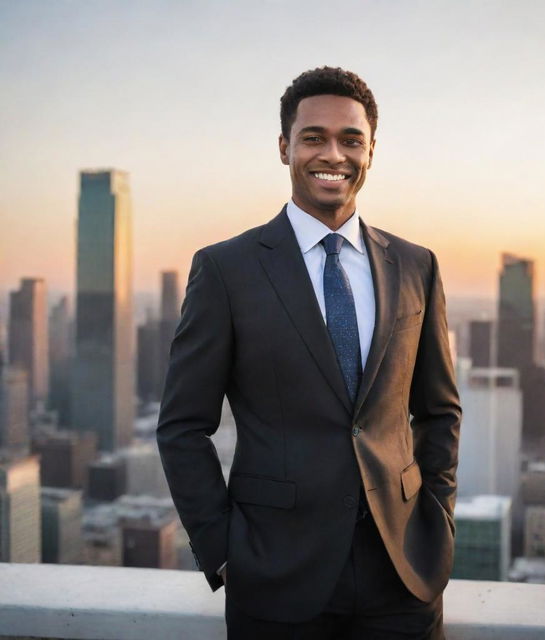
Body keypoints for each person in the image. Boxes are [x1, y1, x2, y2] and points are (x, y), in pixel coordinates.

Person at [157, 66, 461, 640]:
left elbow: (440, 410)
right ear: (284, 148)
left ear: (371, 151)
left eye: (351, 139)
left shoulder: (417, 265)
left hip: (402, 574)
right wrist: (223, 551)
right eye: (313, 137)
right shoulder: (226, 269)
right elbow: (182, 426)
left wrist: (437, 520)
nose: (334, 154)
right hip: (274, 574)